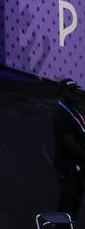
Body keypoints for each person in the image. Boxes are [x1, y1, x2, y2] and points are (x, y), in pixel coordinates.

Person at [54, 81, 85, 216]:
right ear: (62, 93)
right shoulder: (61, 114)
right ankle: (61, 224)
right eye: (71, 90)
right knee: (69, 197)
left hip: (78, 161)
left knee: (76, 196)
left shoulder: (74, 107)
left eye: (75, 90)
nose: (74, 93)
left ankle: (68, 222)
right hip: (67, 163)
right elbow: (68, 141)